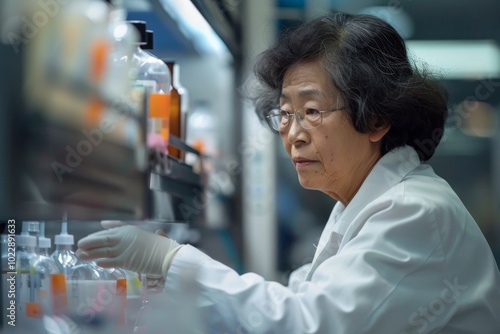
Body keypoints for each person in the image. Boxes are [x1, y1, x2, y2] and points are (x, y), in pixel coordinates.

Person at [76, 13, 500, 333]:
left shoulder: (415, 213)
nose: (292, 134)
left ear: (376, 120)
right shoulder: (364, 204)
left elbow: (305, 323)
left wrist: (168, 260)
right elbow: (298, 299)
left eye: (312, 112)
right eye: (284, 113)